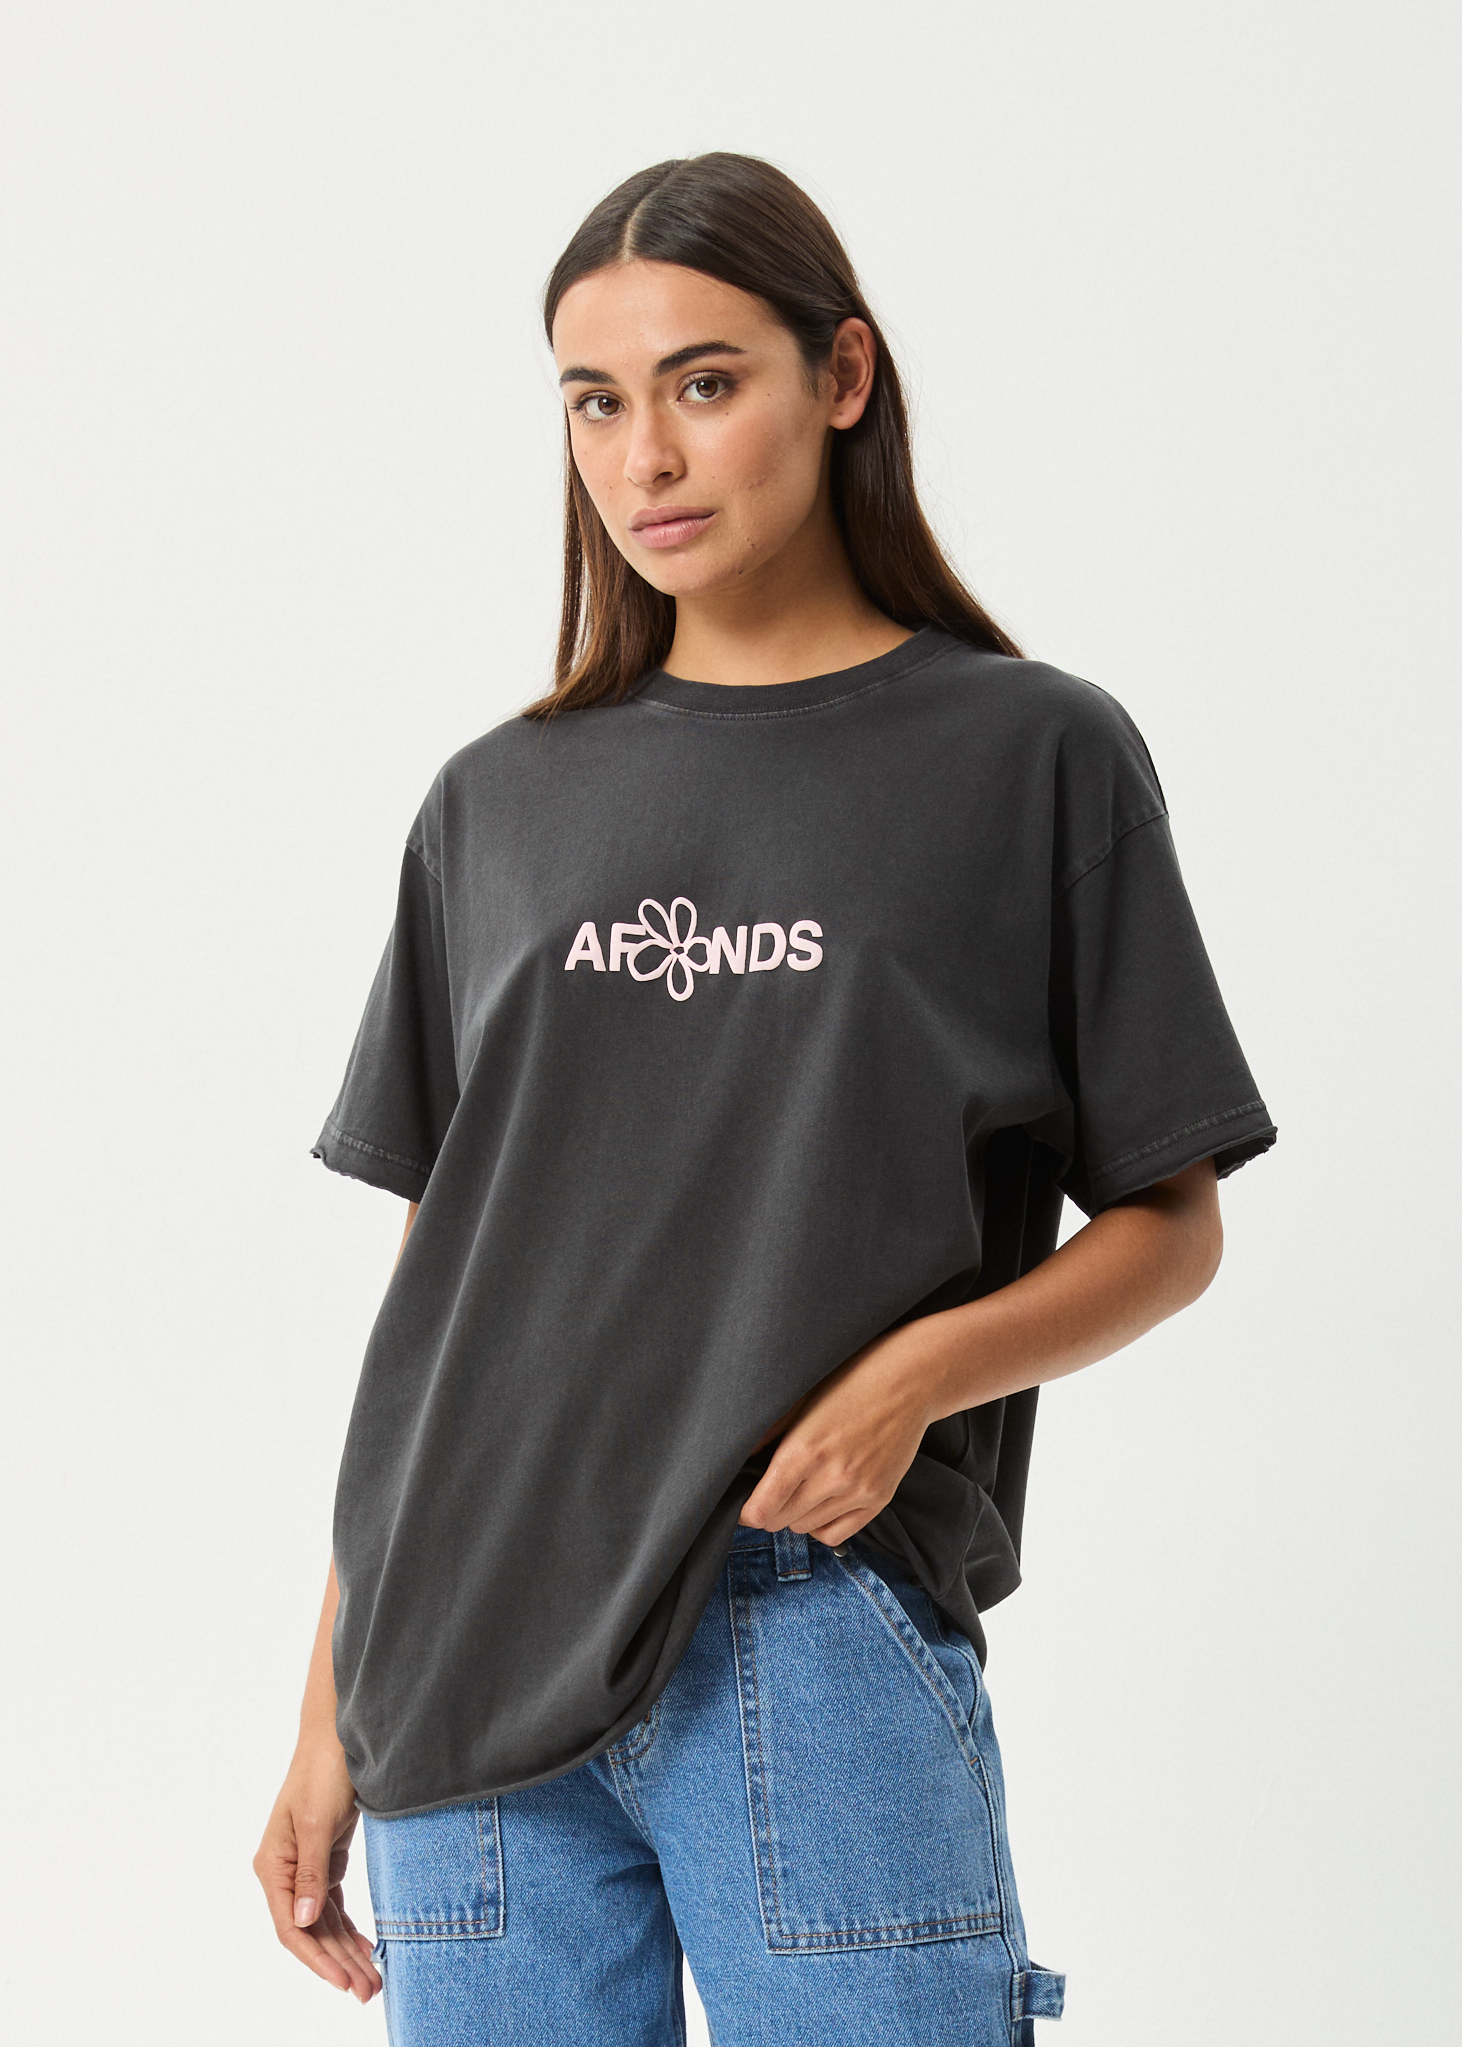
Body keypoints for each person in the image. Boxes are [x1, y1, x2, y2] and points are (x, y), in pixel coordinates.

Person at [254, 152, 1276, 2047]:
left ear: (843, 376)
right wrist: (323, 1719)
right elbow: (439, 1304)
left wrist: (909, 1381)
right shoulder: (494, 801)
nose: (643, 454)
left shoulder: (1029, 753)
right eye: (594, 401)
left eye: (704, 382)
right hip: (458, 1657)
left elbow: (1169, 1218)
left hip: (799, 1617)